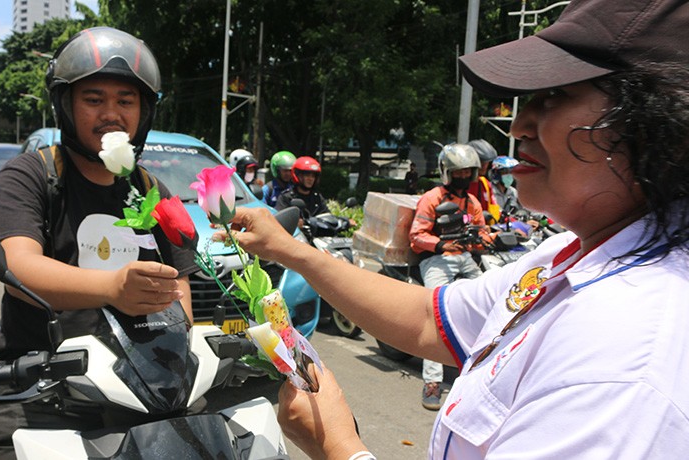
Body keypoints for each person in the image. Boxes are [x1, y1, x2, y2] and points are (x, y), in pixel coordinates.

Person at [220, 0, 689, 457]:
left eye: (556, 96)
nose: (521, 123)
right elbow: (431, 318)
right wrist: (290, 249)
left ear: (653, 123)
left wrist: (338, 446)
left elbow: (483, 231)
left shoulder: (625, 358)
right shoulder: (569, 254)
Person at [0, 27, 199, 459]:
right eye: (94, 99)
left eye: (126, 101)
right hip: (41, 382)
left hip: (142, 383)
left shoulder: (154, 191)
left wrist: (181, 337)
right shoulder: (31, 175)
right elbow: (17, 269)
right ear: (66, 105)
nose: (111, 114)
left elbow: (180, 286)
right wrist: (112, 288)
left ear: (144, 111)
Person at [408, 143, 487, 411]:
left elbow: (482, 234)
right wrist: (442, 245)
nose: (464, 177)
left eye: (468, 171)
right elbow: (416, 235)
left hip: (465, 258)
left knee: (491, 302)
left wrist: (485, 240)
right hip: (436, 260)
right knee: (436, 313)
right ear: (447, 173)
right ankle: (431, 382)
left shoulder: (473, 203)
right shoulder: (432, 198)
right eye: (458, 172)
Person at [467, 138, 500, 222]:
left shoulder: (485, 183)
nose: (484, 166)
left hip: (485, 230)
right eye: (481, 162)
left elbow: (494, 209)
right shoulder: (462, 184)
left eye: (487, 162)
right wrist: (478, 217)